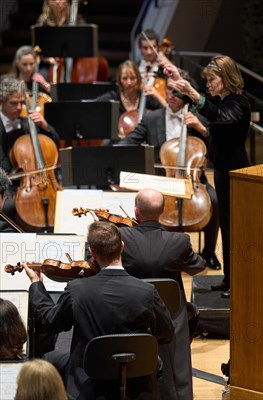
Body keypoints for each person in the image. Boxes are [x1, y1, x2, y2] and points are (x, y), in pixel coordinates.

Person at [23, 221, 174, 399]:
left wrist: (36, 284)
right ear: (122, 247)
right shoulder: (147, 292)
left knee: (51, 357)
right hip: (137, 382)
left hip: (89, 383)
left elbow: (50, 321)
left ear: (92, 253)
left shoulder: (77, 290)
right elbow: (167, 333)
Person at [165, 55, 252, 298]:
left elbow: (218, 116)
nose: (208, 85)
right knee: (226, 225)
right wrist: (175, 80)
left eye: (212, 80)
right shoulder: (220, 99)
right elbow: (190, 100)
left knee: (234, 227)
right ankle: (228, 279)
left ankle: (238, 282)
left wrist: (193, 93)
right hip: (223, 171)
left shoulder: (239, 103)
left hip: (237, 172)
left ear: (225, 78)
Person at [118, 70, 221, 269]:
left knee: (214, 199)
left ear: (186, 93)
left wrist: (201, 129)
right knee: (146, 202)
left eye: (176, 91)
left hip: (193, 180)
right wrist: (111, 148)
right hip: (162, 181)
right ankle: (153, 251)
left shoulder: (199, 116)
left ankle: (209, 253)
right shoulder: (152, 118)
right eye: (168, 90)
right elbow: (131, 141)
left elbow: (216, 146)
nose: (171, 95)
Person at [117, 188, 206, 399]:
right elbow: (198, 266)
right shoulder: (179, 242)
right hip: (169, 315)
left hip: (131, 313)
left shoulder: (121, 238)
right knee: (188, 311)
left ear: (136, 211)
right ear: (163, 211)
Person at [0, 77, 60, 231]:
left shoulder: (29, 123)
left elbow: (54, 144)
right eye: (14, 103)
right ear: (1, 102)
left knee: (61, 202)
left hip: (31, 180)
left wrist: (45, 126)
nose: (20, 107)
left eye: (22, 102)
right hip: (6, 181)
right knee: (8, 206)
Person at [93, 60, 166, 119]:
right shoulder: (113, 97)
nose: (129, 82)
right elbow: (91, 106)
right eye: (125, 78)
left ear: (138, 78)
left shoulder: (145, 97)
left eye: (132, 78)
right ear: (119, 80)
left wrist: (156, 95)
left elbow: (167, 111)